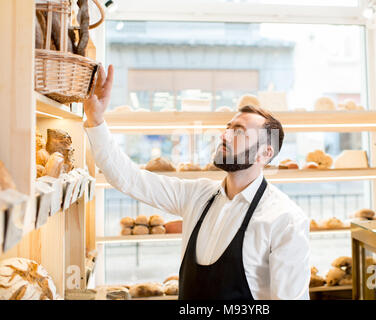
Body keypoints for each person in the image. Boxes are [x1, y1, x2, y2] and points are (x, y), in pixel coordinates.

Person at [84, 65, 311, 300]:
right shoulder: (198, 195)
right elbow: (130, 179)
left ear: (264, 154)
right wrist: (96, 119)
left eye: (239, 132)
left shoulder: (285, 219)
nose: (224, 136)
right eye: (227, 128)